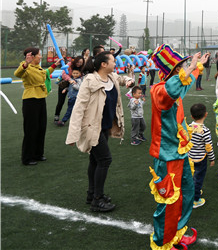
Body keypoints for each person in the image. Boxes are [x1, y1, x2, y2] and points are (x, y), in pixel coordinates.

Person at [148, 45, 207, 249]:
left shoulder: (176, 86)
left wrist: (198, 66)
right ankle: (162, 243)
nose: (184, 67)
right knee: (168, 202)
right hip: (167, 157)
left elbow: (184, 84)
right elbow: (172, 89)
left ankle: (176, 235)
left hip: (180, 153)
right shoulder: (159, 90)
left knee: (186, 196)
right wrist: (191, 67)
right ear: (173, 70)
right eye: (180, 65)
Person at [65, 51, 134, 212]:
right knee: (104, 160)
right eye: (113, 61)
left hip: (104, 127)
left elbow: (122, 79)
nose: (115, 63)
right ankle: (97, 200)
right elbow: (79, 108)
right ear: (103, 64)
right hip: (91, 128)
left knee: (95, 160)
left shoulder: (111, 77)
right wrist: (73, 134)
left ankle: (92, 194)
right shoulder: (90, 80)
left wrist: (129, 80)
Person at [14, 47, 60, 165]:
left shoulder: (38, 67)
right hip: (30, 100)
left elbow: (45, 73)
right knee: (31, 129)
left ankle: (38, 154)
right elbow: (17, 73)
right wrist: (26, 63)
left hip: (41, 99)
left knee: (41, 127)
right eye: (39, 54)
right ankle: (27, 158)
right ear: (32, 56)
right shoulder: (26, 66)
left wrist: (54, 65)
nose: (41, 56)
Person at [189, 103, 215, 207]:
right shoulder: (205, 131)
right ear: (206, 114)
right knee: (198, 178)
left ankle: (192, 191)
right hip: (200, 159)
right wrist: (212, 158)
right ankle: (195, 199)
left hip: (190, 157)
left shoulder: (189, 127)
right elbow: (208, 147)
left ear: (192, 116)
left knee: (191, 176)